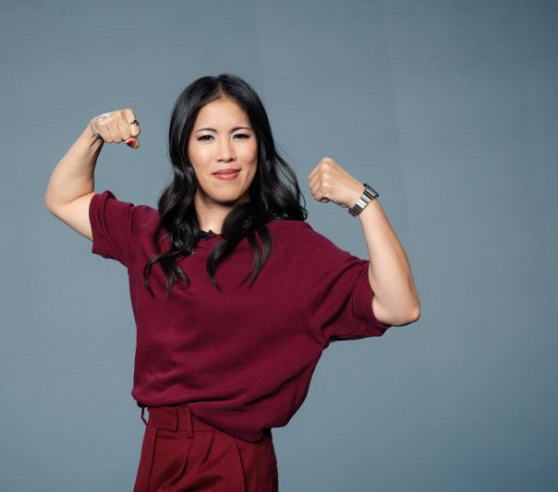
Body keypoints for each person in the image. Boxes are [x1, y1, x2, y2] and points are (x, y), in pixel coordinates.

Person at [44, 74, 420, 491]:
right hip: (160, 451)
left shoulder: (291, 248)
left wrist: (364, 202)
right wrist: (94, 133)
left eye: (240, 135)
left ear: (259, 147)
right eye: (206, 137)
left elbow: (399, 305)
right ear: (185, 151)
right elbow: (63, 197)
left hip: (231, 459)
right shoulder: (150, 235)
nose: (225, 153)